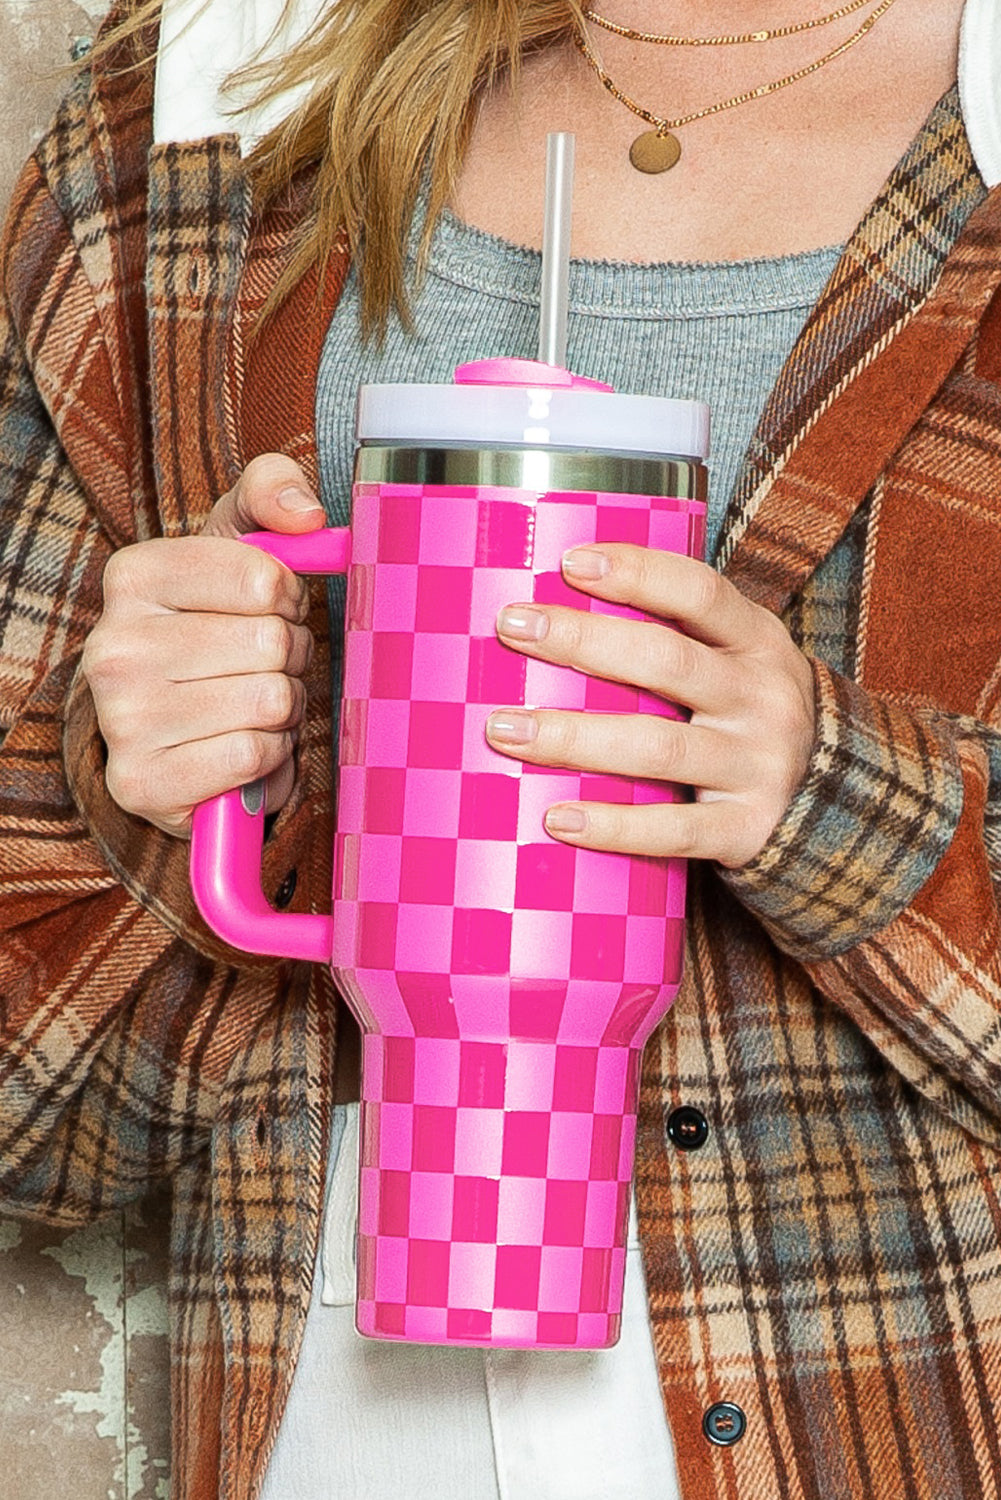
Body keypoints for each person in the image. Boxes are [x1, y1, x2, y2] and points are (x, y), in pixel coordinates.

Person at [2, 0, 1000, 1496]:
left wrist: (830, 795)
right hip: (341, 1435)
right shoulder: (195, 117)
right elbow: (29, 1128)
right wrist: (164, 794)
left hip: (905, 1415)